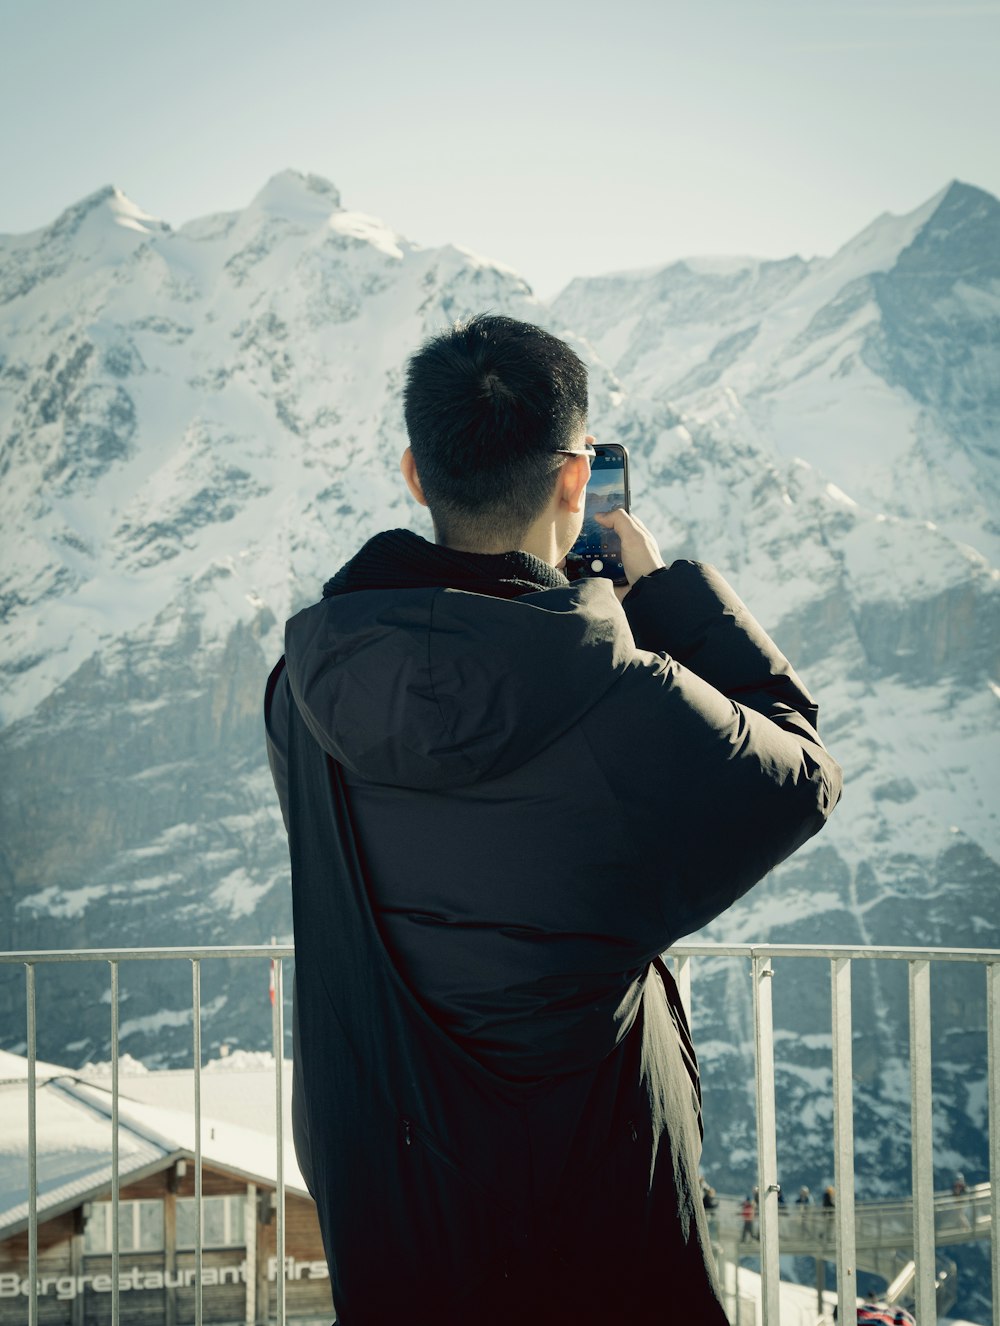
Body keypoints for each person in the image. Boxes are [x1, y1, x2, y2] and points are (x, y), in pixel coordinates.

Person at [263, 314, 843, 1324]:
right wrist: (661, 594)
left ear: (414, 471)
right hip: (591, 1184)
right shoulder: (623, 700)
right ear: (576, 480)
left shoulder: (302, 690)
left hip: (388, 1187)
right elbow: (799, 773)